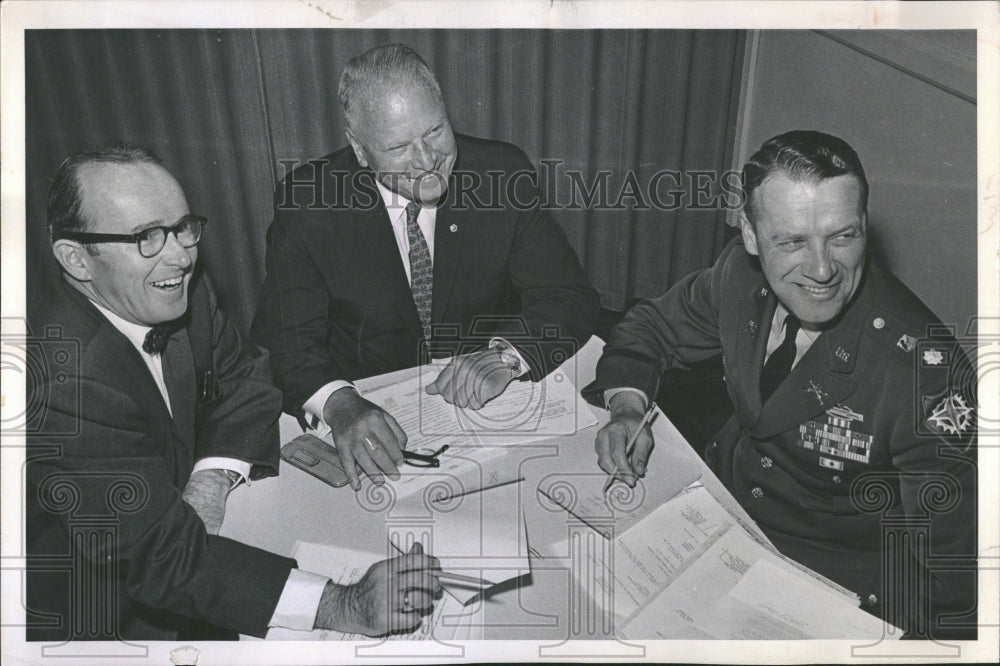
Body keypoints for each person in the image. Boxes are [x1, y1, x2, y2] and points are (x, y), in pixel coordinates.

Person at [26, 145, 441, 641]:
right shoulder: (59, 381)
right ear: (76, 259)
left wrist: (211, 479)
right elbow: (162, 561)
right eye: (147, 237)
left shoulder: (178, 290)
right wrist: (344, 604)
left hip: (195, 549)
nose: (181, 256)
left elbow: (245, 377)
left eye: (183, 228)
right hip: (109, 615)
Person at [583, 130, 977, 639]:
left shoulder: (927, 375)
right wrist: (627, 409)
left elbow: (956, 583)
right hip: (720, 514)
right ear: (749, 234)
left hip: (832, 587)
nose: (821, 270)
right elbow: (652, 328)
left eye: (844, 236)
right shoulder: (740, 276)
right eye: (791, 241)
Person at [251, 43, 599, 491]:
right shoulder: (308, 202)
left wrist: (507, 355)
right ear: (359, 150)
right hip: (369, 412)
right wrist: (339, 404)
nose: (427, 161)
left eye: (435, 131)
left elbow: (570, 297)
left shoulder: (502, 174)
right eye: (398, 147)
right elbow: (283, 340)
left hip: (485, 414)